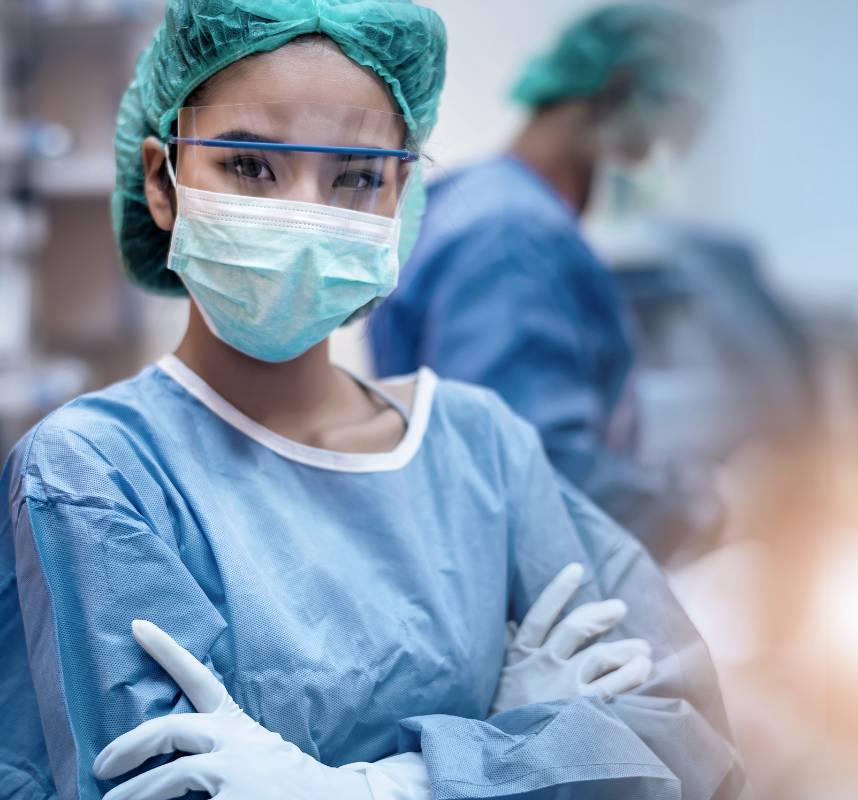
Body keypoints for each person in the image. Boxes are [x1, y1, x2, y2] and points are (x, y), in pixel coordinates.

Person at [0, 3, 743, 799]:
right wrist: (518, 749)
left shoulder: (481, 448)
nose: (304, 216)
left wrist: (390, 785)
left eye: (355, 178)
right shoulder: (96, 473)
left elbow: (675, 736)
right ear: (162, 182)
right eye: (249, 166)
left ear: (401, 198)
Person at [366, 5, 723, 560]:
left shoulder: (470, 197)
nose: (655, 163)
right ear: (620, 89)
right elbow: (539, 475)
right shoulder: (514, 238)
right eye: (658, 142)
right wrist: (698, 510)